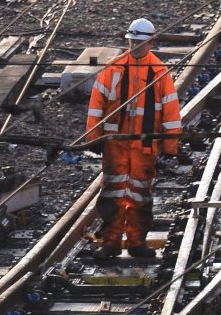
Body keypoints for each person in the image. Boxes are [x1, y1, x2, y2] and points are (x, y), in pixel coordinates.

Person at [84, 18, 182, 260]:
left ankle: (137, 242)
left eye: (139, 42)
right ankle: (110, 242)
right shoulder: (113, 69)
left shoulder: (159, 72)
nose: (135, 46)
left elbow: (170, 112)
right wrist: (93, 139)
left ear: (150, 42)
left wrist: (170, 147)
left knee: (140, 195)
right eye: (132, 41)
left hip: (144, 146)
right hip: (115, 145)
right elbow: (96, 106)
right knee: (112, 194)